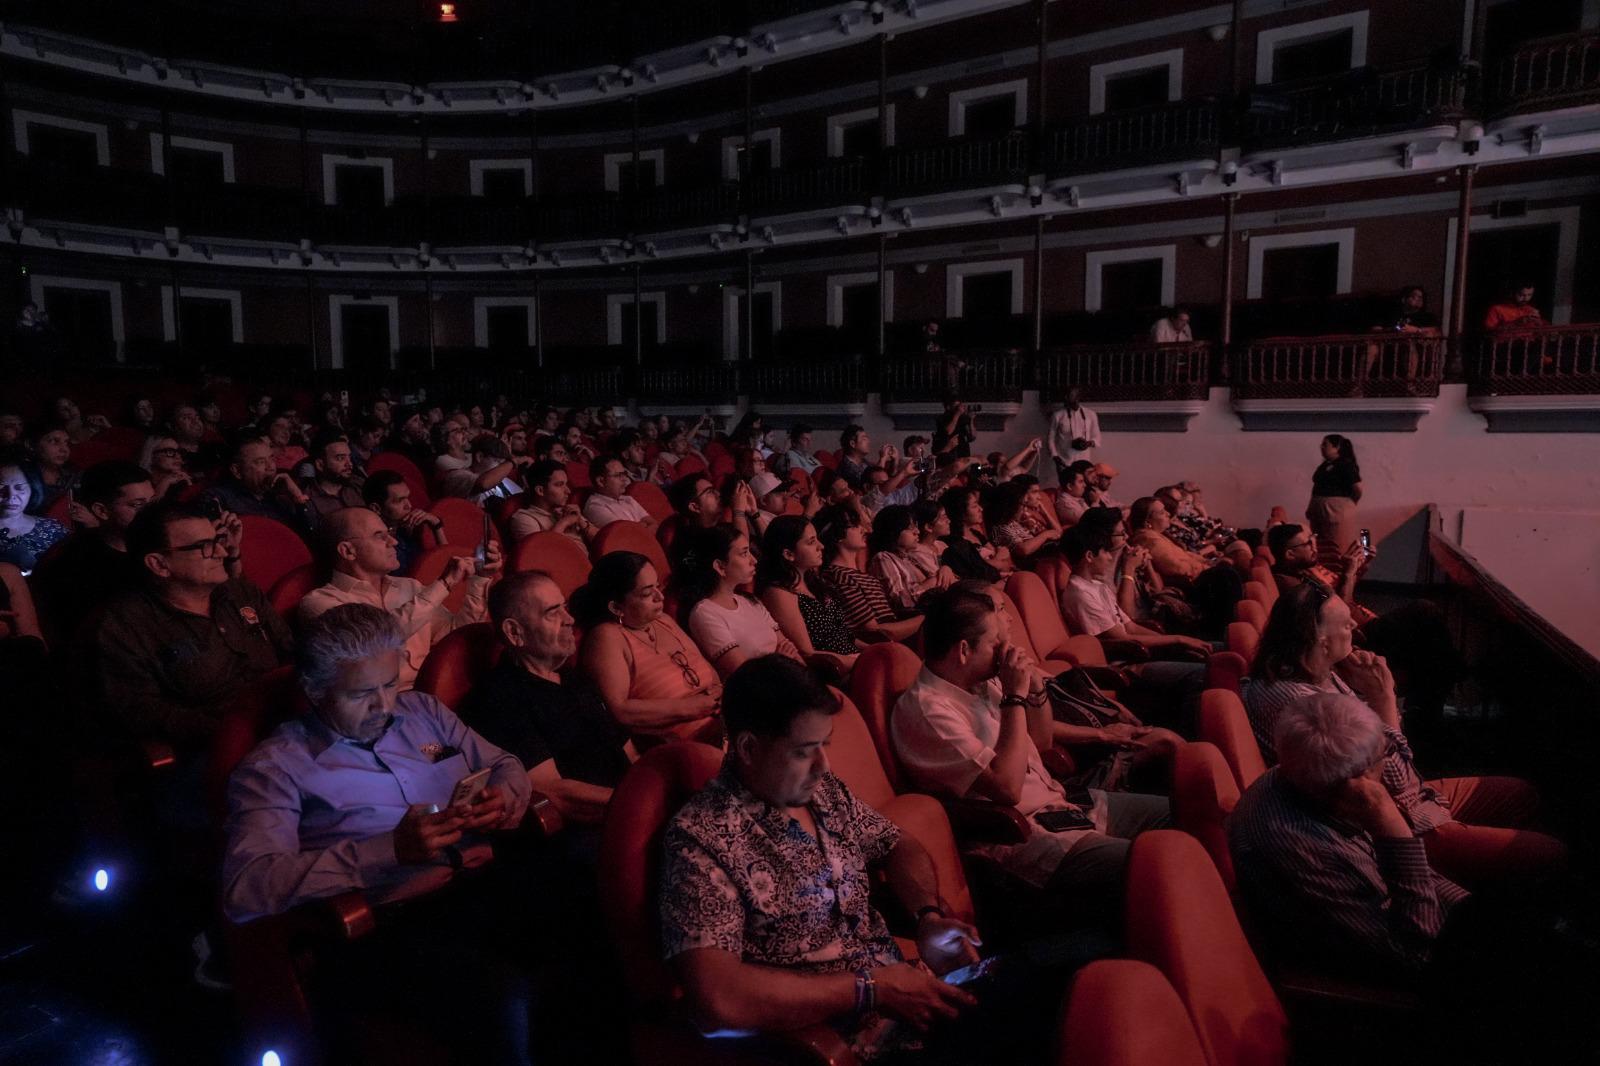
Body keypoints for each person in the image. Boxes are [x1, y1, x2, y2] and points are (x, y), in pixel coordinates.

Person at [221, 603, 534, 1064]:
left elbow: (504, 764)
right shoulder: (277, 767)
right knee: (496, 992)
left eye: (390, 684)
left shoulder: (422, 711)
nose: (384, 706)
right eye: (361, 694)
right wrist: (387, 851)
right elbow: (247, 887)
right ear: (315, 690)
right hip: (392, 921)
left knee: (589, 921)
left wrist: (503, 798)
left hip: (485, 883)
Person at [662, 654, 1005, 1062]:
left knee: (1065, 975)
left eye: (825, 745)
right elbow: (718, 1000)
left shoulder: (822, 791)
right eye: (805, 751)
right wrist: (870, 988)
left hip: (912, 1001)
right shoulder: (702, 838)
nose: (825, 765)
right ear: (749, 748)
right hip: (848, 1043)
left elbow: (897, 844)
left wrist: (926, 917)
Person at [1242, 584, 1565, 890]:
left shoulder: (1315, 674)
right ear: (1321, 641)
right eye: (1344, 625)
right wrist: (1384, 696)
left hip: (1412, 797)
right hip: (1394, 823)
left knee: (1521, 793)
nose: (1355, 625)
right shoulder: (1306, 704)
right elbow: (1391, 779)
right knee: (1551, 853)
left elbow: (1397, 767)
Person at [891, 586, 1171, 926]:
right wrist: (1013, 697)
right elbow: (1008, 790)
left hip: (1065, 806)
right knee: (1163, 866)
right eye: (996, 643)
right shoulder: (928, 711)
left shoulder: (981, 681)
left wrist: (1034, 689)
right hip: (1025, 838)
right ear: (964, 650)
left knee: (1177, 816)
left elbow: (1040, 744)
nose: (1005, 651)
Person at [91, 498, 291, 755]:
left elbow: (289, 650)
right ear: (160, 564)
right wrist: (237, 731)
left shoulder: (240, 591)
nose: (221, 552)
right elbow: (143, 711)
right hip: (218, 748)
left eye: (217, 541)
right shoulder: (126, 626)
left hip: (288, 724)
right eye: (204, 547)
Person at [459, 571, 629, 831]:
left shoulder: (573, 677)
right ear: (515, 632)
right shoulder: (498, 699)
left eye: (565, 607)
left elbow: (628, 750)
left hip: (636, 806)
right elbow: (555, 792)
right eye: (553, 613)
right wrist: (642, 804)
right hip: (596, 832)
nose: (570, 619)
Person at [1266, 523, 1459, 724]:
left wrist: (1358, 568)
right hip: (1353, 637)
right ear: (1290, 554)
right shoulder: (1294, 587)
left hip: (1357, 626)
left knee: (1429, 643)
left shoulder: (1305, 571)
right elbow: (1339, 612)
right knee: (1424, 612)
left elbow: (1338, 599)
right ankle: (1440, 691)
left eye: (1312, 537)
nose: (1315, 545)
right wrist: (1349, 573)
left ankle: (1430, 700)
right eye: (1308, 543)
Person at [298, 508, 499, 691]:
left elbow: (454, 635)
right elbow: (378, 641)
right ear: (348, 551)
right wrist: (444, 584)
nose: (393, 542)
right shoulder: (320, 603)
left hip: (435, 693)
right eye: (380, 536)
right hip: (385, 706)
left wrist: (480, 578)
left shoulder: (409, 586)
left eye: (390, 533)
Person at [1057, 523, 1208, 726]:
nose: (1110, 558)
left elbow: (1131, 626)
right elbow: (1122, 638)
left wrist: (1178, 643)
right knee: (1201, 674)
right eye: (1105, 553)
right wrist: (1178, 640)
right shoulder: (1079, 594)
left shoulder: (1097, 585)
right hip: (1123, 663)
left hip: (1136, 650)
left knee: (1215, 651)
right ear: (1089, 556)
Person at [572, 551, 722, 745]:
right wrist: (690, 708)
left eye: (658, 586)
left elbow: (712, 676)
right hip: (683, 743)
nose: (659, 596)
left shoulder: (664, 621)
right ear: (616, 607)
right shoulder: (607, 636)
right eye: (646, 593)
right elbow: (619, 710)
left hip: (721, 722)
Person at [31, 460, 153, 642]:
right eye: (137, 505)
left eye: (153, 501)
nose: (151, 512)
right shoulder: (75, 561)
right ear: (102, 511)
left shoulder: (158, 544)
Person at [677, 525, 803, 679]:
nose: (754, 560)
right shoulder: (705, 614)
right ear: (720, 566)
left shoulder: (751, 601)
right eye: (744, 554)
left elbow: (789, 648)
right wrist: (780, 660)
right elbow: (745, 676)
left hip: (791, 679)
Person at [757, 516, 861, 678]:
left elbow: (845, 637)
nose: (821, 546)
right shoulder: (778, 593)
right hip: (832, 670)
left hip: (854, 659)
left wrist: (875, 651)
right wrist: (864, 661)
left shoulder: (814, 583)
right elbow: (807, 652)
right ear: (789, 554)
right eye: (811, 542)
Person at [814, 503, 922, 642]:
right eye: (854, 525)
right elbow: (873, 631)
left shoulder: (859, 575)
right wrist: (924, 619)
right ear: (837, 534)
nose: (863, 530)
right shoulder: (839, 576)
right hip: (885, 649)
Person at [208, 433, 313, 532]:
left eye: (271, 459)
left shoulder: (278, 498)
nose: (271, 467)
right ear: (237, 471)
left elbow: (308, 534)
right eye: (261, 462)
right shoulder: (218, 498)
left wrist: (298, 497)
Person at [868, 505, 956, 611]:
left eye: (916, 527)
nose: (917, 532)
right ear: (894, 531)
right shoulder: (883, 558)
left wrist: (945, 569)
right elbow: (902, 601)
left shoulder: (910, 558)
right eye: (910, 528)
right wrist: (934, 582)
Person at [362, 469, 445, 574]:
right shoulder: (375, 545)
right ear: (376, 508)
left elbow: (444, 560)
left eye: (407, 498)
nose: (409, 506)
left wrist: (436, 524)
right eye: (399, 501)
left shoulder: (404, 528)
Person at [0, 459, 70, 572]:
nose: (11, 495)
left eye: (19, 488)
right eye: (1, 486)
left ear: (32, 488)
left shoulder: (52, 530)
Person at [508, 459, 595, 545]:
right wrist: (564, 523)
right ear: (540, 490)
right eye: (559, 485)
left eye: (566, 484)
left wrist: (581, 521)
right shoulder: (524, 519)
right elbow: (540, 553)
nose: (568, 491)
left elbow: (602, 541)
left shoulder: (567, 511)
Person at [1305, 434, 1361, 561]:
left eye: (1325, 444)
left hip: (1335, 510)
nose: (1322, 447)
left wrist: (1347, 504)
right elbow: (1316, 488)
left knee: (1335, 544)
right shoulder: (1324, 465)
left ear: (1337, 447)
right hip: (1319, 508)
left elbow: (1358, 489)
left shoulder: (1346, 465)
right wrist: (1311, 506)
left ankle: (1337, 572)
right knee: (1319, 543)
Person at [937, 486, 1006, 583]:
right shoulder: (955, 542)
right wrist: (998, 559)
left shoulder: (977, 534)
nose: (981, 509)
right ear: (961, 513)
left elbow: (1004, 559)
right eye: (974, 506)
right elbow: (979, 568)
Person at [983, 479, 1059, 563]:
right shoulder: (1001, 527)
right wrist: (1046, 535)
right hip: (1032, 561)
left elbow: (1057, 532)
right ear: (1011, 507)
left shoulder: (1013, 522)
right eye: (1022, 505)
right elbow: (1024, 550)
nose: (1024, 509)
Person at [302, 430, 365, 530]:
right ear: (320, 465)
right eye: (340, 458)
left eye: (349, 457)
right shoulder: (308, 499)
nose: (349, 464)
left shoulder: (359, 484)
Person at [583, 455, 657, 530]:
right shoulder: (595, 506)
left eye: (624, 474)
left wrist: (639, 528)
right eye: (618, 475)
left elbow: (654, 524)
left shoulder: (628, 499)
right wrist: (643, 525)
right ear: (601, 481)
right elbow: (624, 533)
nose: (625, 479)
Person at [1046, 388, 1100, 482]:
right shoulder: (1058, 415)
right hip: (1064, 460)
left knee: (1083, 487)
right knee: (1066, 487)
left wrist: (1088, 443)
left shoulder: (1090, 414)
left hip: (1084, 461)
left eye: (1069, 395)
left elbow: (1097, 436)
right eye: (1065, 396)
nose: (1065, 398)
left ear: (1078, 397)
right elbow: (1050, 438)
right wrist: (1055, 456)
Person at [32, 426, 81, 510]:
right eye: (54, 441)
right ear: (32, 445)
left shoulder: (75, 477)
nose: (64, 449)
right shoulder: (21, 479)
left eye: (66, 443)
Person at [140, 433, 192, 498]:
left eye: (179, 452)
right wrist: (163, 485)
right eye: (170, 452)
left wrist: (189, 486)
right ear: (152, 455)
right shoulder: (139, 482)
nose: (178, 457)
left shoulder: (181, 480)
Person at [931, 396, 976, 461]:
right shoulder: (942, 418)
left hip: (963, 454)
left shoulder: (963, 419)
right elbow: (947, 432)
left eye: (959, 406)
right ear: (948, 407)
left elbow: (972, 437)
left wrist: (971, 420)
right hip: (950, 455)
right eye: (956, 406)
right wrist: (957, 414)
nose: (959, 408)